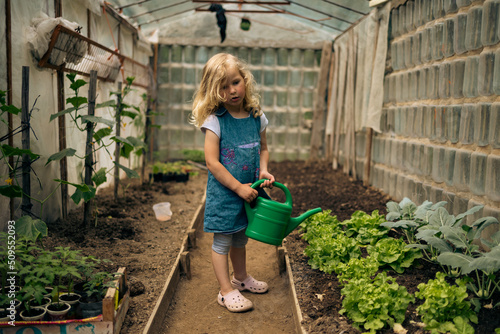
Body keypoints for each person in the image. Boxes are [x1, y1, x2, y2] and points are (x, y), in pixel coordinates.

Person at [190, 53, 275, 312]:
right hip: (227, 193)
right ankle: (226, 291)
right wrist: (238, 187)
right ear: (214, 91)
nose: (232, 90)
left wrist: (263, 170)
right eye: (223, 87)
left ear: (245, 80)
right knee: (222, 242)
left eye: (235, 82)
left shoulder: (256, 117)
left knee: (240, 238)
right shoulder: (215, 120)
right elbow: (212, 163)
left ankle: (241, 278)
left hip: (248, 191)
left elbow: (263, 148)